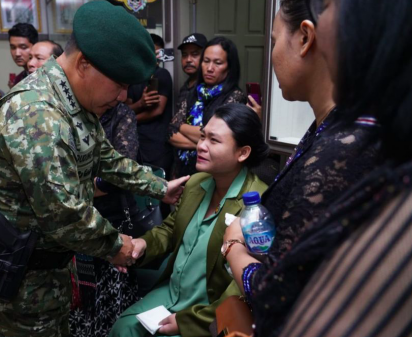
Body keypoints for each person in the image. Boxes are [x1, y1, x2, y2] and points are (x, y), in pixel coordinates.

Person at [0, 2, 189, 336]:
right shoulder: (37, 115)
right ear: (84, 64)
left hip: (47, 269)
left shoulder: (73, 100)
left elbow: (103, 155)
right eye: (120, 84)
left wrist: (157, 186)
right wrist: (120, 247)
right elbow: (65, 213)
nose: (125, 97)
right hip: (14, 282)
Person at [222, 0, 382, 336]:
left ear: (306, 38)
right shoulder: (333, 126)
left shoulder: (343, 145)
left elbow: (276, 294)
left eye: (275, 40)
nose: (272, 54)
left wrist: (233, 247)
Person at [277, 0, 412, 335]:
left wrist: (235, 247)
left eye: (329, 5)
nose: (325, 19)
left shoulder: (346, 144)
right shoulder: (339, 130)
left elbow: (282, 298)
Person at [109, 103, 268, 337]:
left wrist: (188, 321)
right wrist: (143, 244)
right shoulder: (196, 183)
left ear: (242, 152)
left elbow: (243, 286)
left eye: (214, 141)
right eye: (202, 136)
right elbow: (171, 229)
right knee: (123, 329)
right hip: (173, 292)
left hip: (211, 305)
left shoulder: (257, 204)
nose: (201, 146)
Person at [69, 103, 140, 337]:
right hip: (74, 220)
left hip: (112, 217)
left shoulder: (121, 115)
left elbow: (120, 174)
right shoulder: (68, 113)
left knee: (111, 298)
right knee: (78, 297)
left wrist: (78, 188)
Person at [169, 37, 247, 178]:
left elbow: (220, 138)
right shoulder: (193, 92)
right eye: (206, 61)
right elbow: (170, 132)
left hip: (212, 176)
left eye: (218, 63)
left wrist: (181, 127)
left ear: (229, 67)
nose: (210, 68)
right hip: (182, 170)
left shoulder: (235, 97)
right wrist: (204, 142)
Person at [127, 33, 174, 175]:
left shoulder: (162, 74)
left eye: (157, 53)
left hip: (157, 144)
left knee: (158, 187)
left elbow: (157, 111)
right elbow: (126, 108)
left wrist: (131, 119)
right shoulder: (133, 77)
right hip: (136, 141)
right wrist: (140, 103)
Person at [176, 33, 207, 112]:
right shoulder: (185, 87)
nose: (188, 60)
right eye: (184, 54)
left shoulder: (209, 89)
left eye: (195, 54)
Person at [8, 22, 38, 87]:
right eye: (13, 47)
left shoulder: (45, 75)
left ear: (35, 46)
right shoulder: (18, 79)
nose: (17, 53)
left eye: (23, 47)